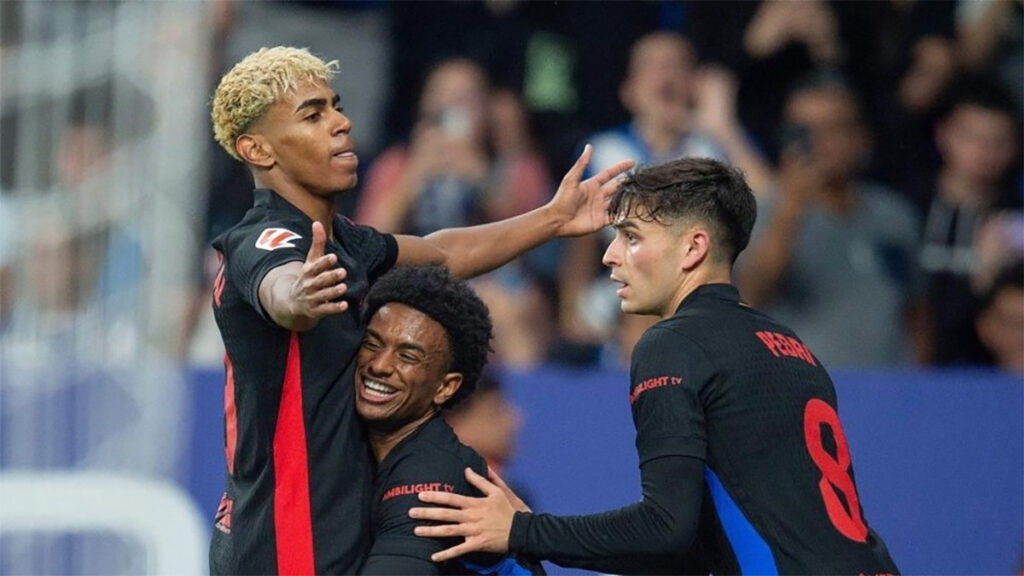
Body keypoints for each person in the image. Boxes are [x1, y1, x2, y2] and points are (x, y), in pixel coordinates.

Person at [207, 46, 631, 575]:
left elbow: (445, 252)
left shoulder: (346, 242)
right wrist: (298, 297)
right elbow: (279, 285)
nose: (341, 123)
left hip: (317, 533)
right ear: (257, 149)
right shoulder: (264, 238)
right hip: (286, 544)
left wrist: (552, 219)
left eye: (336, 107)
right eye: (313, 116)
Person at [410, 158, 899, 574]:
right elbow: (702, 545)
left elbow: (665, 529)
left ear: (694, 248)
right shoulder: (790, 346)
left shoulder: (672, 344)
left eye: (631, 236)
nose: (609, 255)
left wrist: (521, 530)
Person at [557, 31, 773, 367]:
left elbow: (771, 203)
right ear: (628, 90)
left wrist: (723, 128)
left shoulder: (716, 145)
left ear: (694, 84)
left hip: (704, 292)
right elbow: (579, 249)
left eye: (678, 65)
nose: (666, 74)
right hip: (618, 295)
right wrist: (571, 314)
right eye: (653, 65)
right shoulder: (603, 151)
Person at [354, 265, 541, 574]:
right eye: (372, 344)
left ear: (445, 387)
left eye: (407, 356)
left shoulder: (435, 478)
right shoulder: (360, 444)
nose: (380, 365)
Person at [737, 72, 924, 368]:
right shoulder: (760, 212)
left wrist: (919, 381)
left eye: (833, 129)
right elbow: (752, 296)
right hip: (803, 386)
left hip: (890, 387)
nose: (818, 143)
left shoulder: (895, 215)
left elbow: (916, 312)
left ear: (861, 138)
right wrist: (789, 212)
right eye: (803, 131)